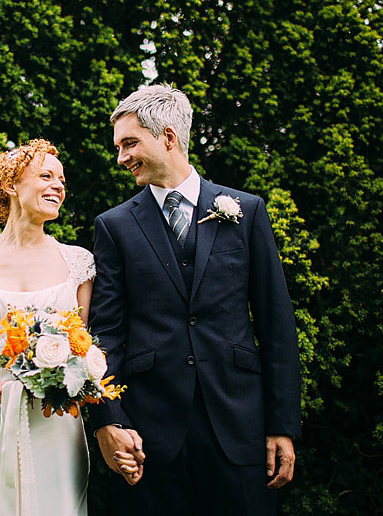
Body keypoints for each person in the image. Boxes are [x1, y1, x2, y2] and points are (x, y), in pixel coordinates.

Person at [88, 85, 302, 515]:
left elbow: (276, 323)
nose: (121, 158)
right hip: (150, 435)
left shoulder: (247, 210)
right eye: (118, 146)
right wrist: (108, 419)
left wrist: (283, 425)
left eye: (130, 143)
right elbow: (106, 334)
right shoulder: (114, 226)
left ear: (168, 137)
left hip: (239, 424)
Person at [0, 139, 103, 516]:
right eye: (46, 176)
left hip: (56, 424)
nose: (58, 186)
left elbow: (88, 348)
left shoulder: (79, 263)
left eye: (62, 179)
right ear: (11, 185)